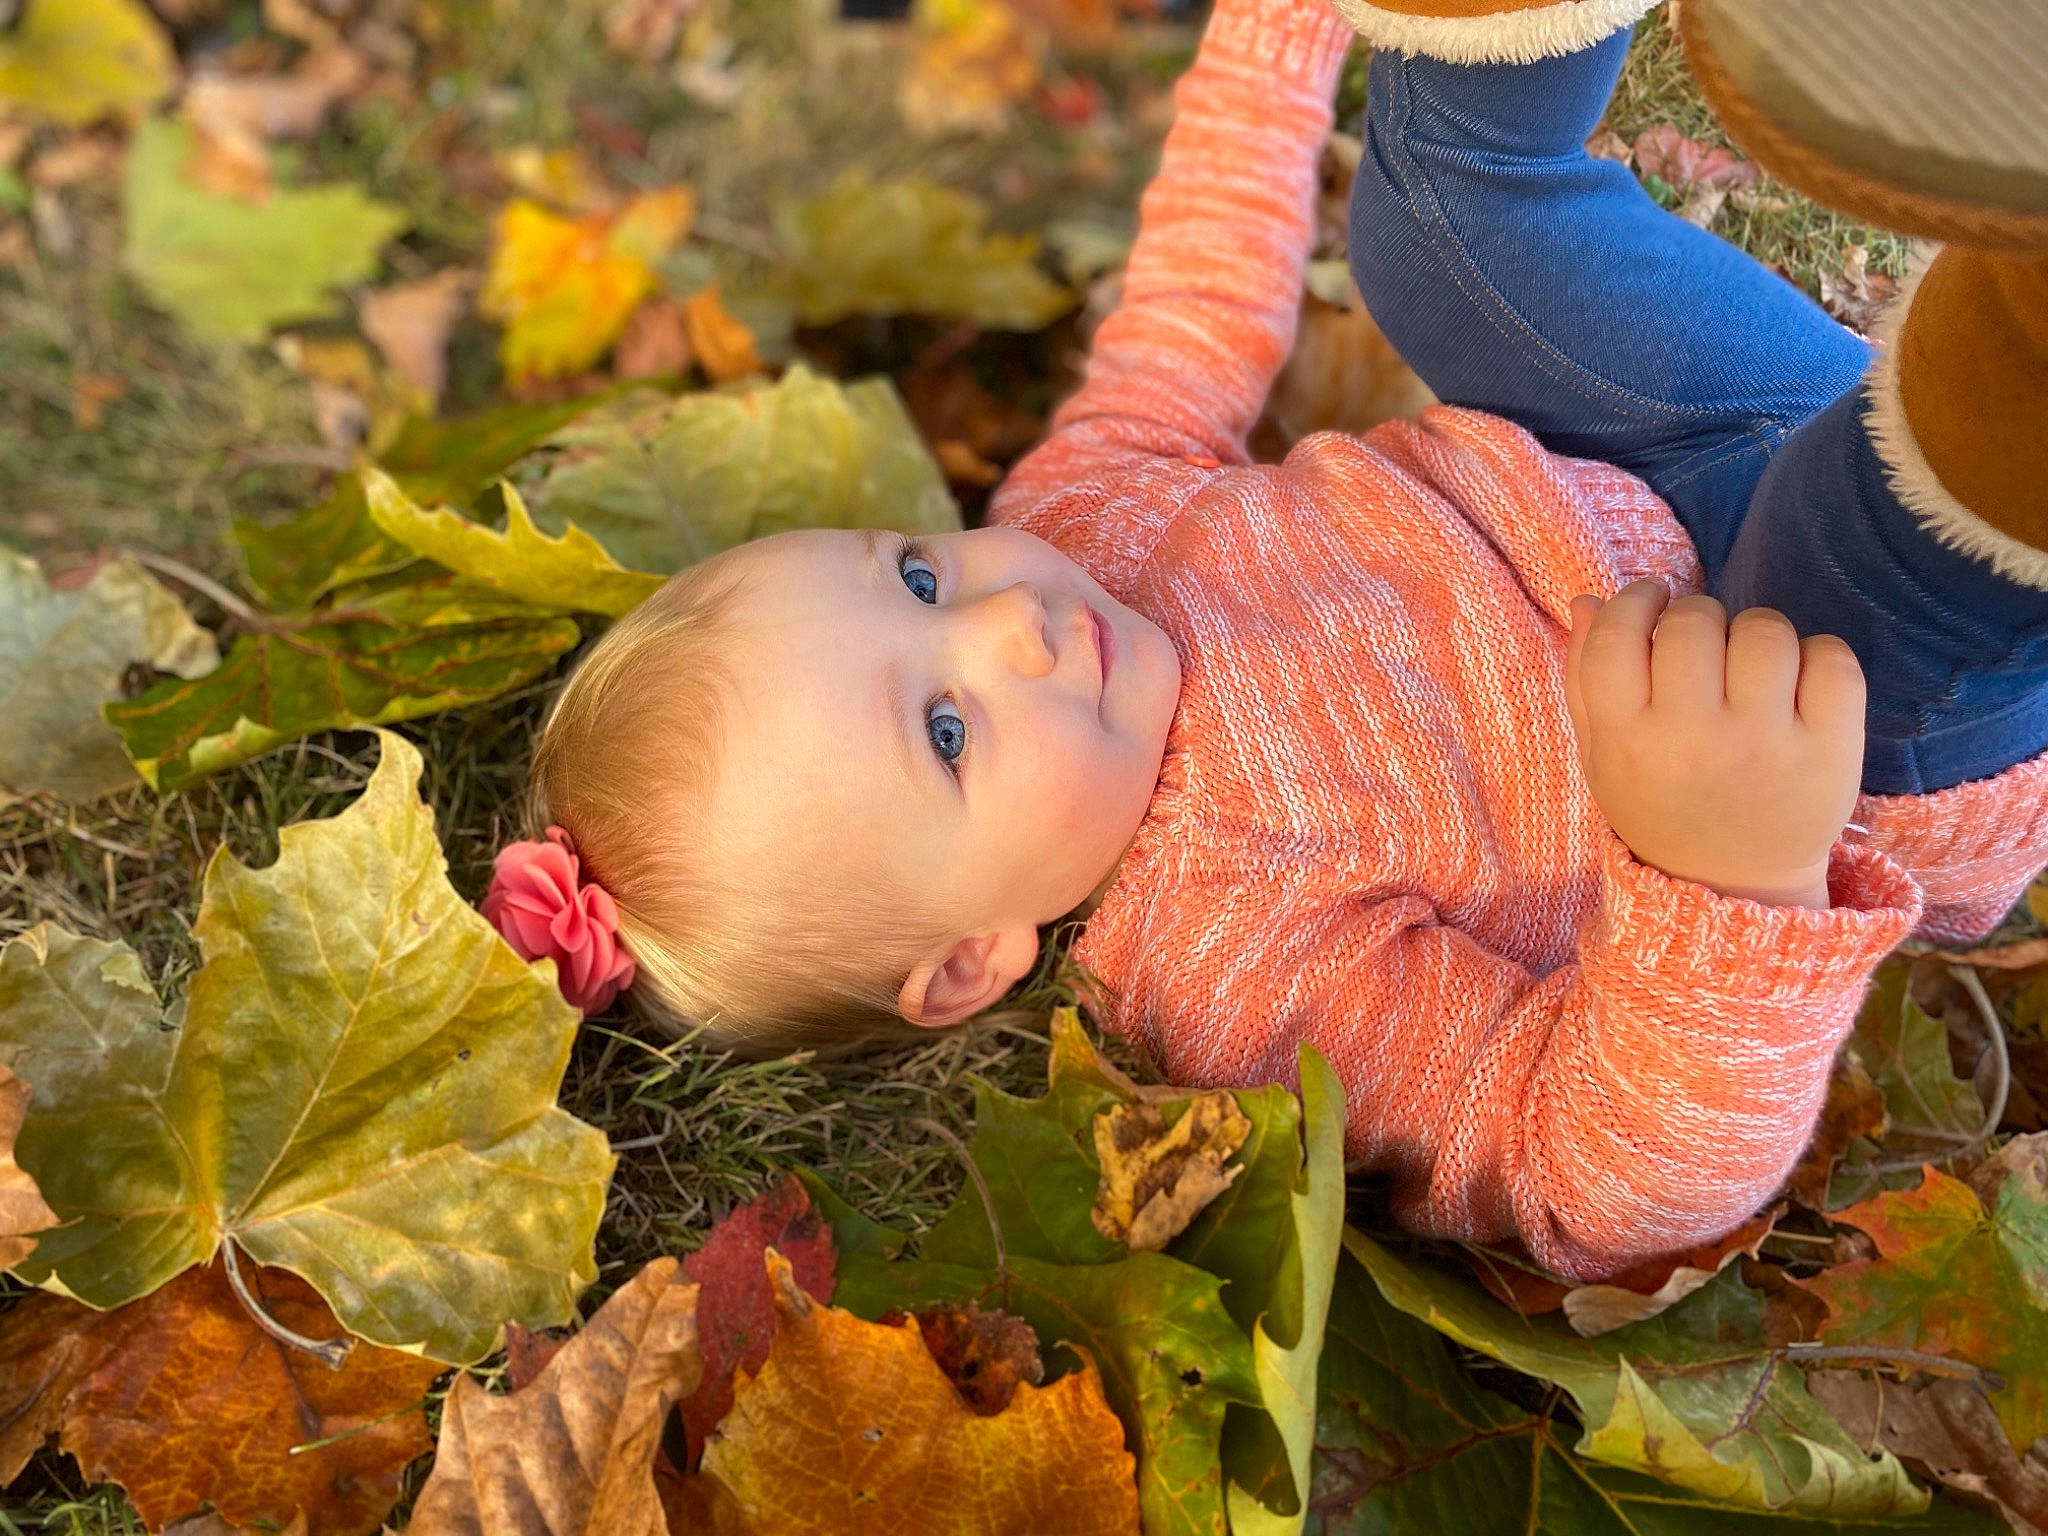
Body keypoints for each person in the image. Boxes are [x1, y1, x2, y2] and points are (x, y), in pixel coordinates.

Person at [481, 0, 2048, 1279]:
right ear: (970, 962)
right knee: (1864, 521)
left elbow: (1189, 312)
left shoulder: (1073, 526)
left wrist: (1273, 33)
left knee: (1431, 225)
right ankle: (2014, 335)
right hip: (1839, 719)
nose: (1009, 626)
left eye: (910, 578)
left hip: (1656, 457)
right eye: (947, 735)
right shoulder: (1229, 972)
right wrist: (1728, 872)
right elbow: (1590, 1180)